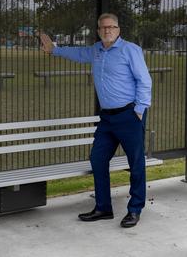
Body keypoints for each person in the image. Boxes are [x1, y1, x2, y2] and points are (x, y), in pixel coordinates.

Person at [39, 13, 152, 228]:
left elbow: (144, 80)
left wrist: (139, 110)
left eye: (111, 27)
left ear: (118, 29)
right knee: (98, 159)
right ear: (98, 31)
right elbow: (78, 53)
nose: (107, 30)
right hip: (107, 118)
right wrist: (54, 49)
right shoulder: (96, 50)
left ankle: (135, 209)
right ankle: (103, 208)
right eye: (103, 28)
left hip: (129, 116)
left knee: (136, 164)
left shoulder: (130, 50)